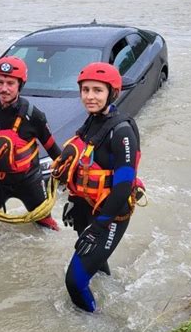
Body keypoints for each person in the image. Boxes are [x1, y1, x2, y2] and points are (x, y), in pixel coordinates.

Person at [52, 62, 142, 312]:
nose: (90, 96)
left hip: (111, 214)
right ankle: (110, 291)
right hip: (89, 207)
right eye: (85, 90)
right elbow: (83, 165)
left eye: (97, 91)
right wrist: (74, 200)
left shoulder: (122, 131)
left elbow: (124, 186)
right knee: (97, 266)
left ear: (112, 93)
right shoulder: (92, 122)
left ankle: (94, 323)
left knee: (74, 281)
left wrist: (99, 226)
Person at [0, 56, 62, 231]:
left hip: (30, 182)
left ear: (20, 85)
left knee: (47, 228)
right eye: (0, 82)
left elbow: (53, 150)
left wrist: (72, 175)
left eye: (10, 83)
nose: (4, 89)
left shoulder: (34, 116)